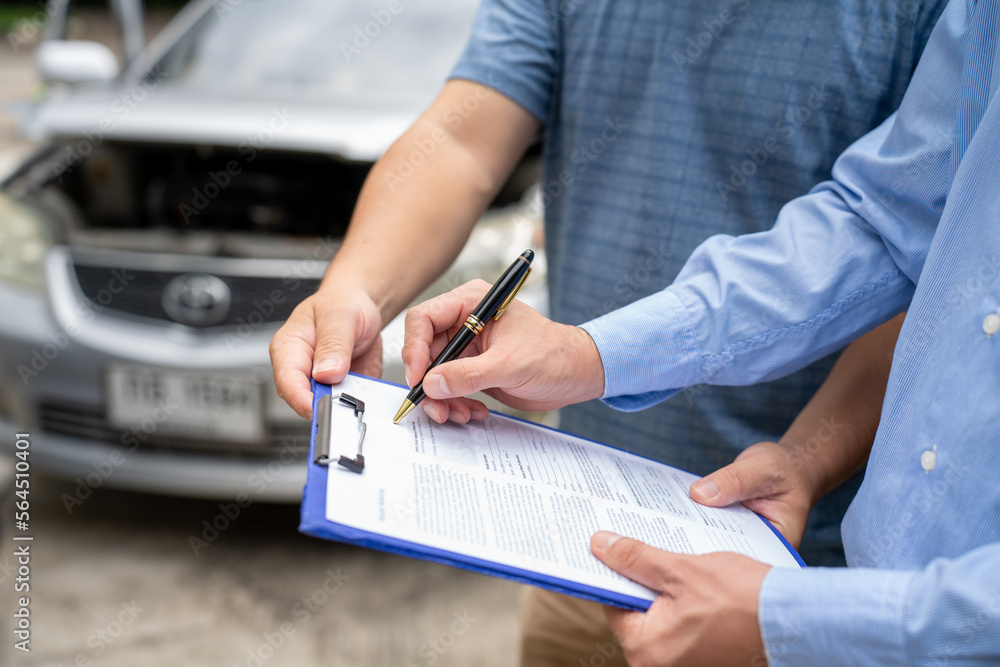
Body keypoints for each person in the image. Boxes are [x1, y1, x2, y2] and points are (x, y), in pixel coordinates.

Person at [270, 0, 947, 662]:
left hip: (781, 565)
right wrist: (356, 288)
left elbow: (913, 262)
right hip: (577, 539)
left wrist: (807, 458)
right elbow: (460, 139)